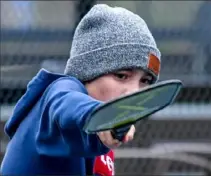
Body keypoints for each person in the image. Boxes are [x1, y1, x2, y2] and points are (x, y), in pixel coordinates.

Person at [0, 4, 161, 176]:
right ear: (88, 72)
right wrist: (100, 116)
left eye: (145, 81)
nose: (134, 92)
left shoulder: (101, 137)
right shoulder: (60, 94)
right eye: (121, 76)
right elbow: (66, 104)